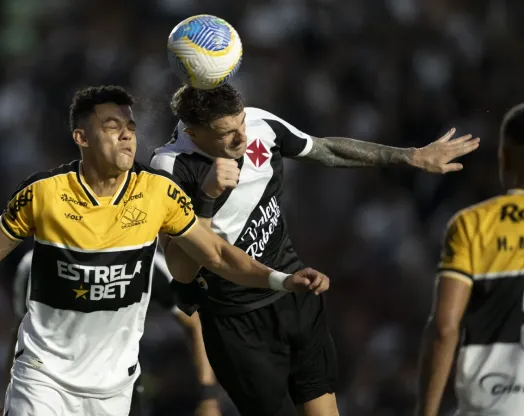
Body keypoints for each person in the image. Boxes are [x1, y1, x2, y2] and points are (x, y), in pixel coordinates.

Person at [0, 85, 330, 416]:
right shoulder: (43, 194)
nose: (127, 135)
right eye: (111, 127)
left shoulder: (158, 194)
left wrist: (281, 278)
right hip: (44, 376)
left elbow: (219, 255)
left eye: (129, 125)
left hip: (114, 388)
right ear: (81, 138)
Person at [150, 84, 480, 416]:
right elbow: (182, 270)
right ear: (193, 133)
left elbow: (324, 150)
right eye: (226, 134)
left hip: (296, 294)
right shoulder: (170, 167)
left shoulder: (260, 123)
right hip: (236, 322)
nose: (242, 139)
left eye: (241, 124)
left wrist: (410, 156)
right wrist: (206, 197)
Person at [9, 247, 223, 416]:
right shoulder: (35, 262)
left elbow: (194, 322)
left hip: (117, 391)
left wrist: (208, 396)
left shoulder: (145, 260)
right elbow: (20, 334)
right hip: (49, 386)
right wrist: (7, 395)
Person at [415, 103, 524, 416]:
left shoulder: (471, 225)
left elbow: (445, 327)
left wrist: (427, 411)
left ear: (503, 160)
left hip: (491, 405)